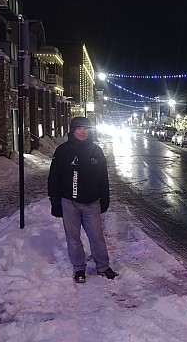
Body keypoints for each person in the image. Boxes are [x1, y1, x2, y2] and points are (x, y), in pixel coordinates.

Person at [48, 116, 118, 283]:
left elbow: (103, 178)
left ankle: (103, 266)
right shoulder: (63, 151)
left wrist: (105, 198)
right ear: (73, 130)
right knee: (73, 239)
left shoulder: (96, 151)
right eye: (79, 128)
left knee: (97, 237)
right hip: (68, 203)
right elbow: (54, 178)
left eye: (85, 128)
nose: (82, 131)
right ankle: (79, 268)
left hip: (92, 203)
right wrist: (55, 201)